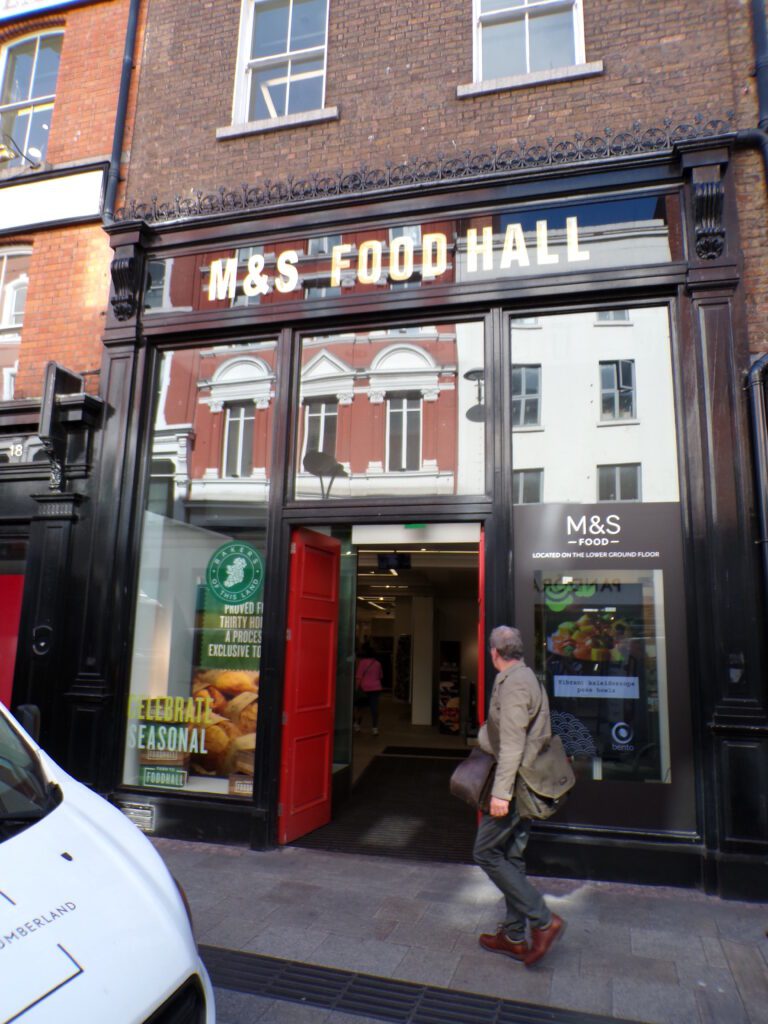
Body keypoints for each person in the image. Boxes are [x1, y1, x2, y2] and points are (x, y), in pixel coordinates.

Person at [474, 625, 565, 967]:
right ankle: (514, 936)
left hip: (515, 785)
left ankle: (543, 920)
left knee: (484, 851)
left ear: (494, 653)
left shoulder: (513, 685)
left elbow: (511, 744)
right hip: (528, 780)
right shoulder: (528, 677)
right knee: (511, 856)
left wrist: (500, 794)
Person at [354, 645, 383, 735]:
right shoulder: (378, 663)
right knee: (374, 708)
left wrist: (356, 688)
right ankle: (375, 728)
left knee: (361, 708)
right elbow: (380, 676)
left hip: (364, 688)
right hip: (375, 688)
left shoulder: (362, 662)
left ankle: (357, 725)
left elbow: (358, 677)